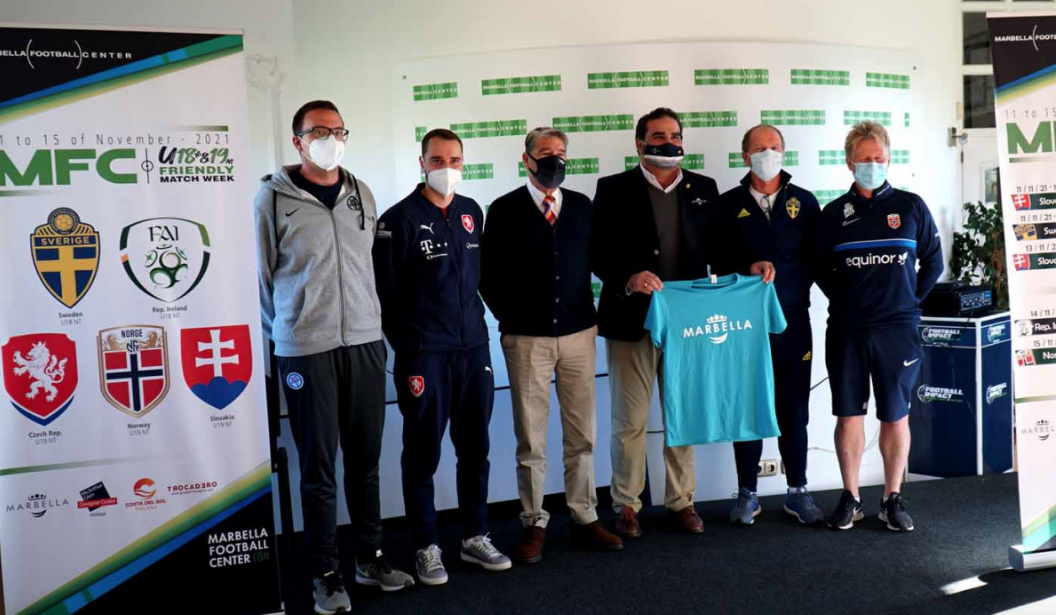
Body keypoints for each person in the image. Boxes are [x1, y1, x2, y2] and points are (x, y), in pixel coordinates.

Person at [254, 100, 412, 615]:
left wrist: (373, 327)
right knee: (318, 470)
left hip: (365, 343)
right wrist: (285, 337)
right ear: (298, 141)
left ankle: (370, 558)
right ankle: (324, 573)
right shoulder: (272, 199)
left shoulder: (360, 192)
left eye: (338, 130)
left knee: (365, 463)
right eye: (319, 131)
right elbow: (261, 281)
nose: (330, 139)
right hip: (307, 351)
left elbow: (369, 268)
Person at [591, 107, 773, 539]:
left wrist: (749, 266)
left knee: (683, 414)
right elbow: (596, 251)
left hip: (689, 326)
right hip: (632, 320)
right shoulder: (613, 189)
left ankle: (682, 501)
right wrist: (628, 278)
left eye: (675, 135)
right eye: (658, 136)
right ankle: (627, 505)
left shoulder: (703, 188)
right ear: (640, 144)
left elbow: (722, 248)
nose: (669, 142)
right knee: (630, 420)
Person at [372, 128, 511, 586]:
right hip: (425, 355)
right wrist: (412, 347)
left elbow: (479, 279)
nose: (446, 168)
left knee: (476, 448)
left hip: (473, 349)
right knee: (423, 452)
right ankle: (425, 546)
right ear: (422, 163)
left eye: (454, 160)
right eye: (437, 160)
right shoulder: (398, 220)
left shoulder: (472, 212)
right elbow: (385, 298)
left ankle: (475, 536)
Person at [480, 127, 624, 564]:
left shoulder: (580, 206)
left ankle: (585, 516)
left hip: (579, 334)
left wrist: (631, 277)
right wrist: (511, 318)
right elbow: (487, 274)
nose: (554, 160)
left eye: (560, 153)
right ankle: (534, 522)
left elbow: (602, 260)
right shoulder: (504, 209)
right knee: (531, 439)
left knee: (582, 435)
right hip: (527, 338)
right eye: (545, 153)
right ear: (527, 160)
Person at [814, 121, 943, 532]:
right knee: (848, 415)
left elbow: (934, 262)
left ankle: (891, 498)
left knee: (895, 415)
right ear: (849, 162)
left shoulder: (911, 206)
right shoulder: (833, 214)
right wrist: (848, 302)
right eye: (864, 158)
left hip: (898, 331)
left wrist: (908, 302)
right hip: (848, 330)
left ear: (888, 159)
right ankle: (851, 497)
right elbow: (820, 269)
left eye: (878, 157)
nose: (872, 164)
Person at [721, 124, 824, 526]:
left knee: (794, 407)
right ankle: (747, 494)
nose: (769, 154)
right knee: (747, 406)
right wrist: (747, 268)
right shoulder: (727, 204)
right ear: (745, 156)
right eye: (760, 148)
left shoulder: (805, 202)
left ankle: (797, 491)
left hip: (793, 322)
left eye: (775, 147)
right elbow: (714, 258)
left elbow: (818, 260)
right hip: (742, 326)